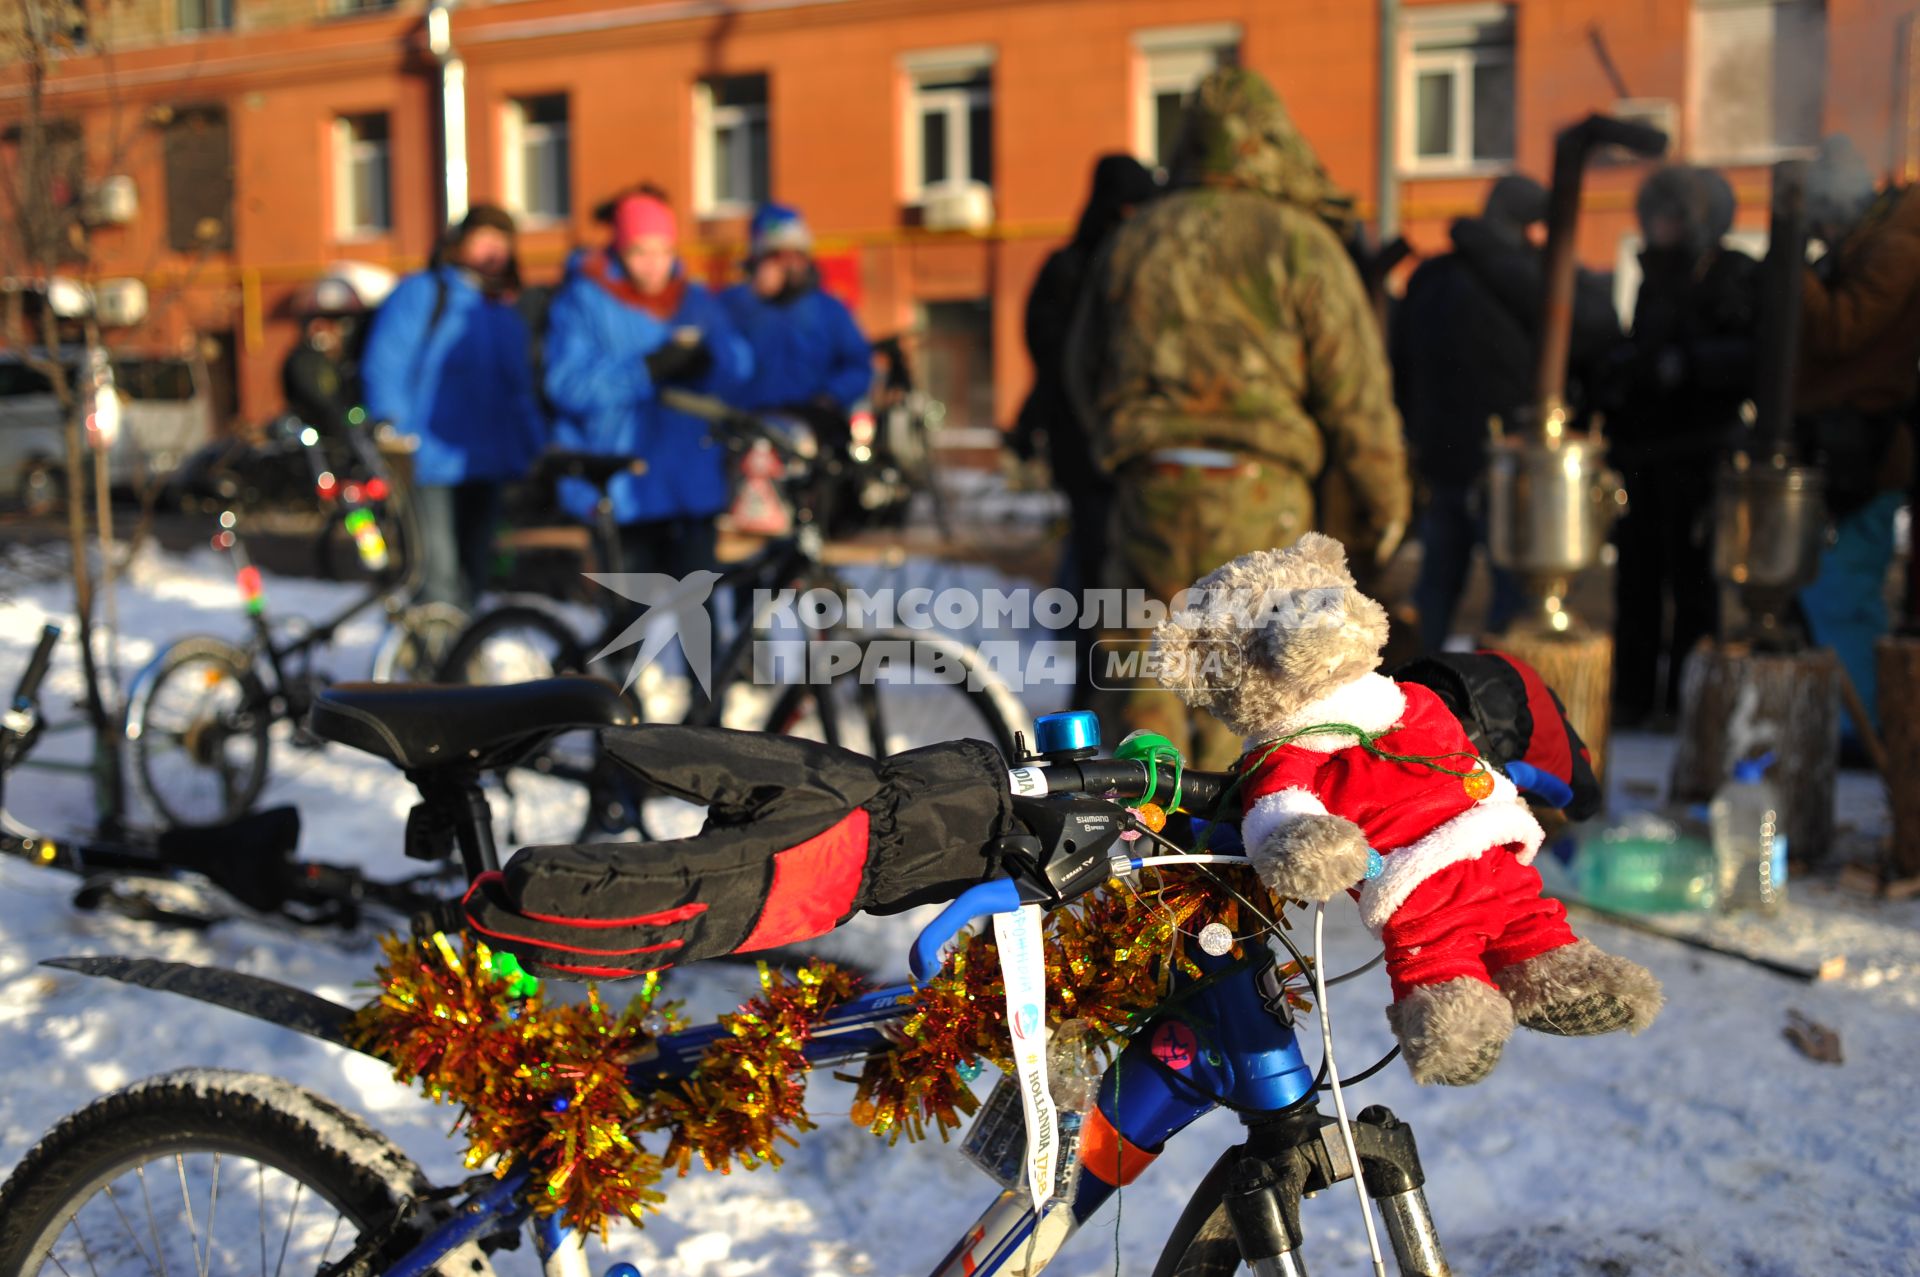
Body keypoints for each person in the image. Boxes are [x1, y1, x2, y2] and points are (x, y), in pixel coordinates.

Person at [1068, 67, 1412, 769]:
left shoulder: (1133, 242)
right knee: (1254, 706)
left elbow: (1082, 370)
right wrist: (1379, 522)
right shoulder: (1300, 242)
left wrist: (1126, 450)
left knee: (1143, 698)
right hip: (1264, 506)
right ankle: (1239, 864)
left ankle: (1136, 859)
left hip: (1151, 497)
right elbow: (1359, 401)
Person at [1391, 176, 1622, 655]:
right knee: (1515, 589)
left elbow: (1401, 365)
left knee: (1437, 584)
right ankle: (1499, 692)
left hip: (1443, 455)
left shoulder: (1434, 277)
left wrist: (1416, 433)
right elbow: (1598, 331)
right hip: (1511, 463)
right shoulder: (1531, 281)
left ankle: (1414, 691)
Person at [1604, 166, 1757, 727]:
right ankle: (1636, 696)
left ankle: (1690, 701)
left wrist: (1690, 364)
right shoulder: (1655, 276)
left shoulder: (1733, 273)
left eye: (1669, 217)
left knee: (1693, 584)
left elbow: (1751, 354)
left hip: (1700, 450)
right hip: (1646, 451)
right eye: (1653, 216)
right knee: (1637, 580)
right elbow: (1648, 346)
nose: (1656, 227)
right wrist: (1626, 367)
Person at [543, 187, 752, 584]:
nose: (654, 265)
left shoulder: (696, 300)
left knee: (699, 626)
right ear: (620, 251)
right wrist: (647, 370)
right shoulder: (585, 300)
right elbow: (567, 385)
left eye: (663, 251)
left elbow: (739, 369)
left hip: (690, 484)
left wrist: (708, 367)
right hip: (622, 485)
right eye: (640, 252)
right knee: (630, 629)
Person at [1015, 155, 1158, 707]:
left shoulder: (1082, 267)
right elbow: (1055, 363)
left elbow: (1048, 361)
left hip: (1106, 452)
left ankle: (1104, 689)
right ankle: (1097, 695)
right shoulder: (1092, 271)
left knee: (1107, 574)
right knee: (1106, 577)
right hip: (1097, 454)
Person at [1796, 137, 1920, 745]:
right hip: (1846, 446)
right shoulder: (1868, 248)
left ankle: (1864, 729)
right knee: (1833, 591)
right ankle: (1855, 723)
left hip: (1865, 452)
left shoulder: (1892, 251)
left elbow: (1843, 331)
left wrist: (1796, 279)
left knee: (1846, 595)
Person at [361, 204, 544, 608]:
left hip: (485, 463)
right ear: (460, 244)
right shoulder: (424, 293)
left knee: (474, 571)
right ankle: (435, 662)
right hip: (428, 461)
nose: (493, 251)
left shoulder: (503, 313)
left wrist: (536, 447)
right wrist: (393, 428)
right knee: (436, 573)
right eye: (484, 239)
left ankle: (458, 659)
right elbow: (386, 363)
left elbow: (518, 390)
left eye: (502, 242)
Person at [716, 204, 870, 434]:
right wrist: (753, 297)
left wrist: (831, 396)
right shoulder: (733, 305)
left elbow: (858, 365)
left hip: (814, 427)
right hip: (749, 427)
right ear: (758, 260)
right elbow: (718, 361)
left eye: (796, 254)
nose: (789, 264)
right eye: (777, 256)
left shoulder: (828, 309)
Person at [281, 314, 357, 440]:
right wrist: (335, 419)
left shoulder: (329, 359)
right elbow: (313, 395)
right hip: (313, 428)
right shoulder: (303, 360)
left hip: (336, 427)